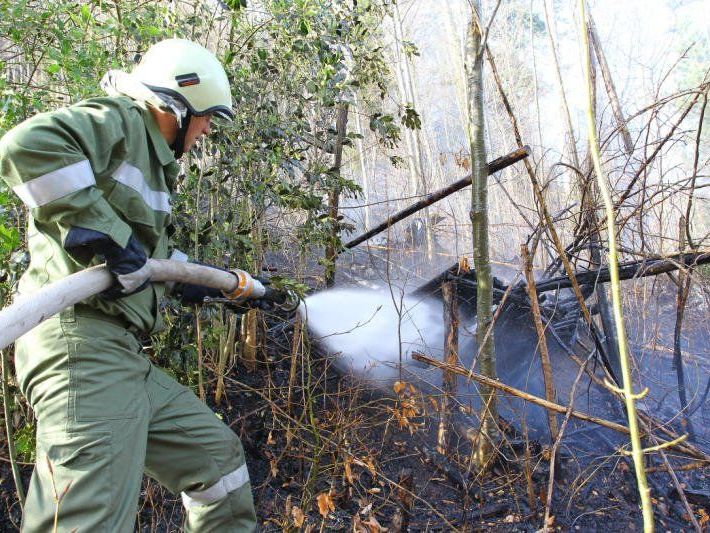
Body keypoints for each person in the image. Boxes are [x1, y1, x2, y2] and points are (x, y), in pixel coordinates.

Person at [0, 39, 257, 531]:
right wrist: (112, 240)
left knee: (216, 460)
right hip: (79, 345)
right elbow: (26, 146)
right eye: (204, 119)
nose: (205, 132)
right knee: (87, 518)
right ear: (178, 106)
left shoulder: (153, 163)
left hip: (121, 353)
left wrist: (198, 282)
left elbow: (144, 260)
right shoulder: (120, 120)